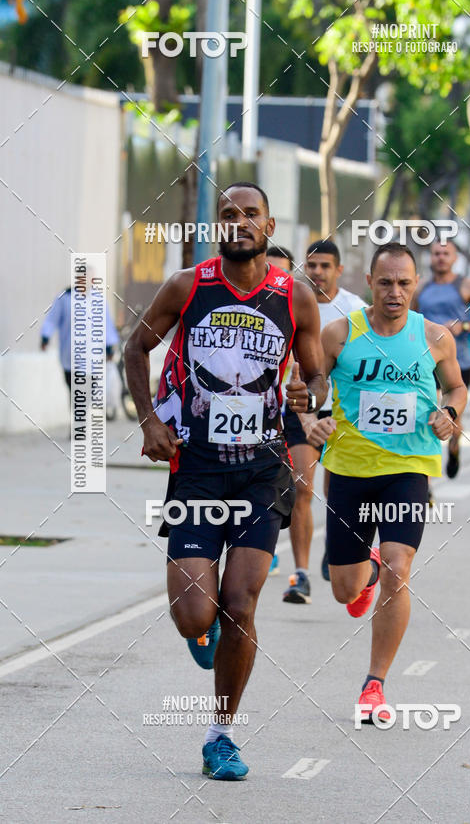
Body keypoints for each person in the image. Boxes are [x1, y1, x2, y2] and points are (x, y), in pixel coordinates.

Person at [124, 182, 327, 780]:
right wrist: (150, 419)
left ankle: (222, 735)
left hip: (263, 471)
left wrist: (307, 396)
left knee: (241, 604)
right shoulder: (189, 286)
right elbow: (136, 349)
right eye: (227, 214)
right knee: (195, 615)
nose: (238, 222)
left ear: (270, 223)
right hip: (198, 469)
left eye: (250, 214)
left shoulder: (297, 298)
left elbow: (317, 379)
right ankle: (201, 628)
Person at [315, 243, 466, 720]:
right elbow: (312, 383)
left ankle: (374, 684)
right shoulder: (339, 335)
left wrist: (449, 413)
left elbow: (457, 387)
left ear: (415, 284)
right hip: (350, 470)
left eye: (403, 283)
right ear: (369, 284)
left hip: (409, 467)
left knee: (401, 568)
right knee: (344, 589)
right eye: (385, 283)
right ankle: (368, 570)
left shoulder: (436, 337)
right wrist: (314, 418)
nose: (394, 292)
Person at [282, 239, 366, 603]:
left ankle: (336, 549)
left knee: (337, 492)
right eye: (311, 265)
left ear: (338, 270)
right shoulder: (289, 301)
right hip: (299, 406)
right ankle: (300, 575)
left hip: (342, 414)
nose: (317, 272)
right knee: (302, 487)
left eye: (324, 266)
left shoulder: (355, 310)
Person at [412, 239, 470, 478]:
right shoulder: (421, 287)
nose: (440, 258)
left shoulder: (468, 286)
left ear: (455, 258)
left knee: (451, 419)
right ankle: (424, 473)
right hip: (425, 361)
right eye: (436, 253)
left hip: (460, 362)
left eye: (446, 253)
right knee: (426, 417)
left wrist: (464, 325)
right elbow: (409, 320)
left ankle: (455, 447)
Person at [265, 245, 296, 575]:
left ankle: (296, 568)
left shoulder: (298, 307)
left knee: (298, 485)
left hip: (294, 417)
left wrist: (310, 404)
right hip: (240, 426)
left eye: (279, 273)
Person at [41, 285, 119, 398]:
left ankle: (80, 414)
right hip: (70, 359)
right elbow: (52, 319)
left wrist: (109, 347)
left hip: (91, 360)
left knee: (84, 395)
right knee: (75, 394)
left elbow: (106, 325)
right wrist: (45, 337)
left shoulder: (98, 299)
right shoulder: (65, 298)